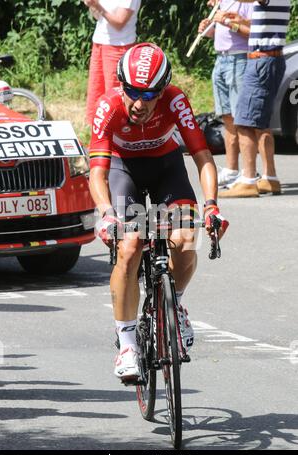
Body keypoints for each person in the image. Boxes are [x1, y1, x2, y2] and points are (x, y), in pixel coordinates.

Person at [88, 43, 229, 381]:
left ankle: (174, 304)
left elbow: (202, 155)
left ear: (163, 90)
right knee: (131, 245)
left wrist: (211, 206)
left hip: (167, 169)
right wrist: (107, 212)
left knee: (183, 239)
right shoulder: (108, 106)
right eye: (133, 91)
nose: (139, 102)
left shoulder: (175, 100)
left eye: (150, 94)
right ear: (121, 83)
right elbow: (98, 172)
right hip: (125, 173)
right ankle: (127, 344)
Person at [218, 0, 291, 198]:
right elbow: (265, 22)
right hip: (270, 59)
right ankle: (270, 178)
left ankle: (248, 181)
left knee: (244, 122)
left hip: (261, 60)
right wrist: (242, 20)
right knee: (261, 123)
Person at [199, 0, 253, 188]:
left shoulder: (246, 3)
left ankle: (249, 174)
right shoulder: (222, 4)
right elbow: (219, 33)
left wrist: (229, 23)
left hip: (240, 58)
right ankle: (231, 170)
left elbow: (254, 33)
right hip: (221, 59)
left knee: (241, 119)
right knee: (227, 117)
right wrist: (207, 30)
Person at [84, 0, 141, 124]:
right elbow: (98, 17)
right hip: (100, 42)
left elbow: (119, 23)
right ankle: (94, 125)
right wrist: (92, 6)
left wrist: (98, 5)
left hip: (119, 46)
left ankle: (115, 126)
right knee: (96, 87)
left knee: (114, 92)